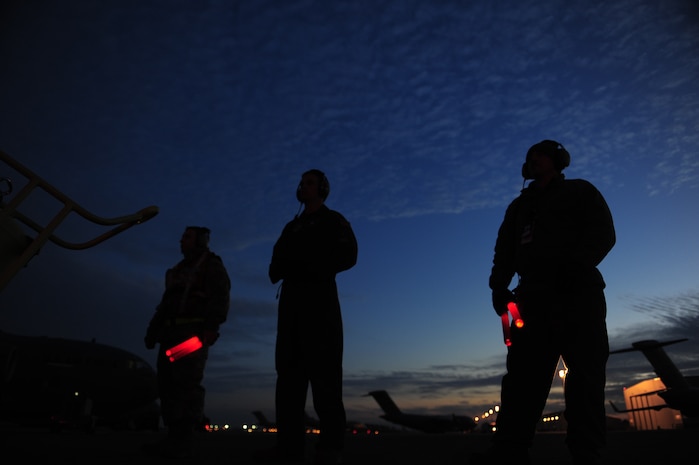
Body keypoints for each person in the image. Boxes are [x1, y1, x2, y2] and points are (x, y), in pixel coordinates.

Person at [476, 140, 616, 465]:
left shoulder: (580, 192)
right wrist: (499, 287)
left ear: (558, 161)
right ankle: (509, 452)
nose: (534, 158)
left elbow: (603, 233)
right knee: (522, 380)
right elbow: (504, 251)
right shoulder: (519, 207)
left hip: (579, 295)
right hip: (533, 301)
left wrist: (575, 266)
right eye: (529, 156)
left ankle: (586, 453)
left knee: (585, 376)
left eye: (540, 153)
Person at [256, 169, 358, 465]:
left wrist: (309, 265)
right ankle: (288, 448)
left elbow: (349, 255)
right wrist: (293, 265)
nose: (302, 185)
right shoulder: (292, 227)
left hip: (321, 310)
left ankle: (329, 449)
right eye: (301, 182)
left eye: (309, 182)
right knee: (288, 382)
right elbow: (275, 266)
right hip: (290, 311)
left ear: (322, 188)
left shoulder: (333, 221)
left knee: (325, 381)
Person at [143, 226, 230, 459]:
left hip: (192, 334)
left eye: (187, 237)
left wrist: (211, 327)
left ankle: (183, 439)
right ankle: (173, 437)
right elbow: (166, 303)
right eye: (182, 237)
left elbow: (220, 297)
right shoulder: (178, 271)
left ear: (200, 240)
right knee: (167, 383)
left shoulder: (210, 265)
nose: (181, 240)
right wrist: (153, 332)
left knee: (186, 384)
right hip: (170, 333)